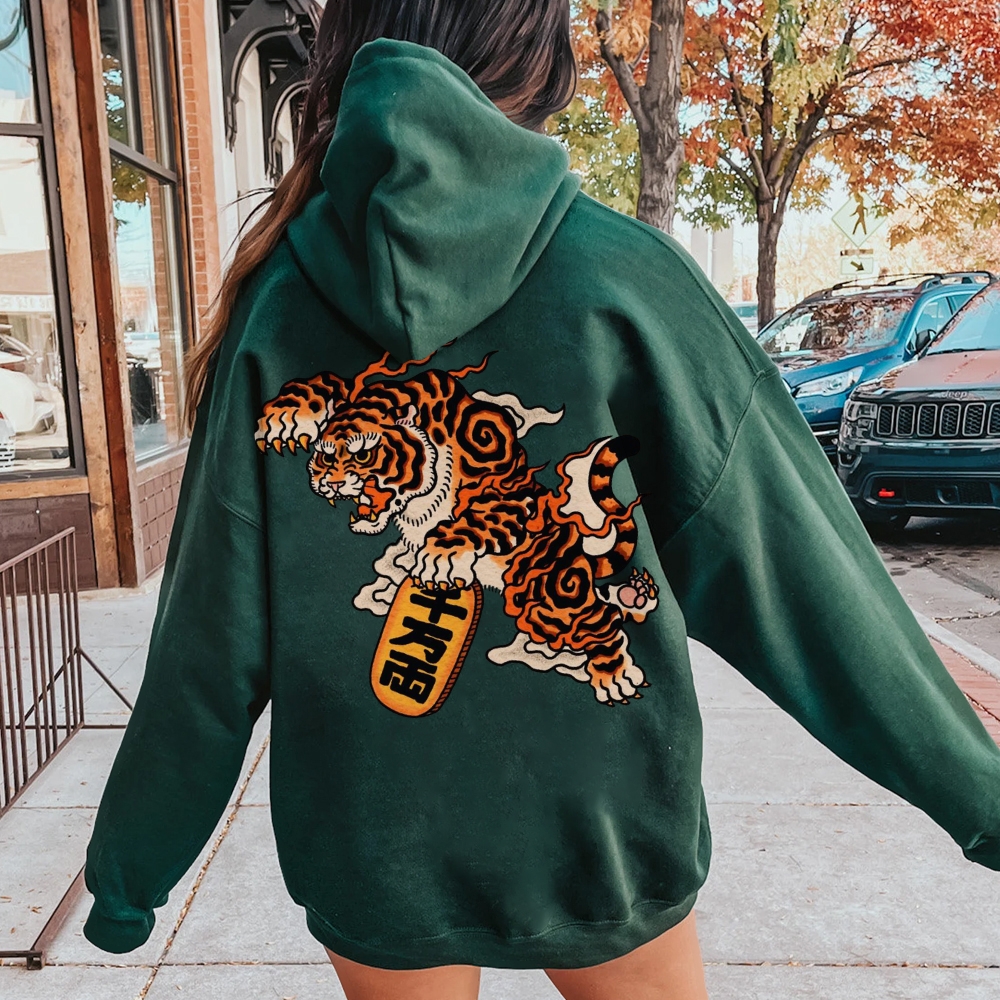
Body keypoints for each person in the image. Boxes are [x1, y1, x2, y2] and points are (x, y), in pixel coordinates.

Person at [81, 2, 1000, 998]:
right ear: (538, 64)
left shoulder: (274, 306)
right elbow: (806, 576)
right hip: (599, 830)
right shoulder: (625, 279)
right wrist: (979, 796)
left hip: (372, 835)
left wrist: (133, 869)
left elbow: (207, 637)